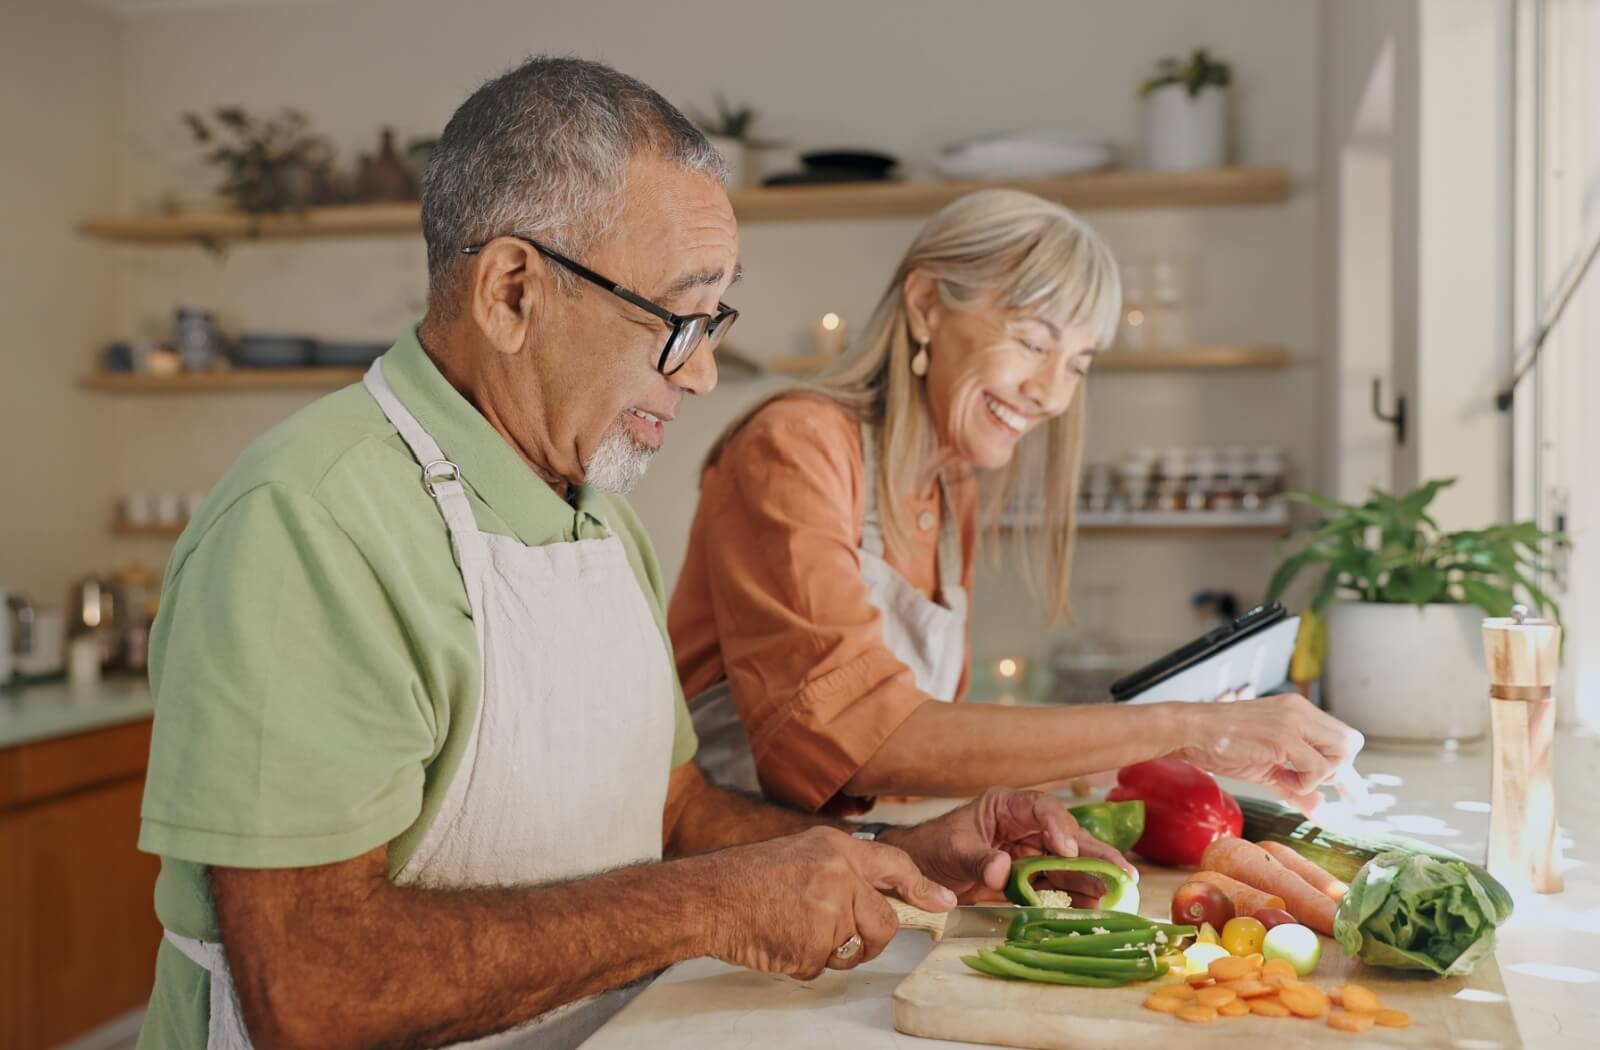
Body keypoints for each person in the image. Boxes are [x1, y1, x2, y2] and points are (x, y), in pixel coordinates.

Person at [135, 58, 1129, 1050]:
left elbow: (677, 811)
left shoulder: (599, 517)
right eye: (677, 319)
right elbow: (315, 992)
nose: (699, 374)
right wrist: (705, 907)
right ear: (513, 291)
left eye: (714, 321)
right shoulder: (306, 524)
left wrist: (894, 852)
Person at [669, 188, 1363, 816]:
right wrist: (1187, 725)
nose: (1053, 395)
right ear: (926, 305)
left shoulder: (952, 484)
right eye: (1033, 343)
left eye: (1078, 366)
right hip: (730, 882)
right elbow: (861, 738)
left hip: (842, 869)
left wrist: (1179, 747)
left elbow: (920, 756)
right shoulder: (793, 445)